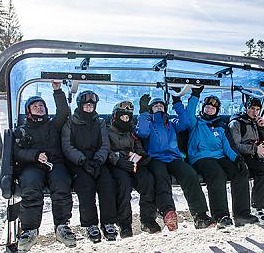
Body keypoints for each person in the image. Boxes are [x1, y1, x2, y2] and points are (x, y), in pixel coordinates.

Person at [135, 93, 214, 231]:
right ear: (151, 109)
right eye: (155, 106)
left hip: (173, 157)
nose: (159, 107)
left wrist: (177, 102)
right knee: (161, 177)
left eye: (161, 105)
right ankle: (167, 212)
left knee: (189, 174)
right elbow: (142, 132)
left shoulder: (171, 123)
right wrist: (143, 112)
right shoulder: (149, 123)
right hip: (155, 158)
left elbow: (186, 122)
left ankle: (200, 215)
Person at [14, 81, 76, 251]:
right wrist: (34, 155)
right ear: (29, 111)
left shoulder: (53, 125)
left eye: (41, 105)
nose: (39, 108)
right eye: (35, 106)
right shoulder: (23, 129)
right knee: (30, 184)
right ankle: (30, 229)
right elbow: (17, 152)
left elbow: (63, 112)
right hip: (32, 166)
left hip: (55, 163)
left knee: (62, 182)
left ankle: (62, 226)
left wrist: (57, 91)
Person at [186, 87, 259, 227]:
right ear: (203, 108)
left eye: (213, 108)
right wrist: (195, 95)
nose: (209, 110)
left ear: (217, 111)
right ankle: (221, 215)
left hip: (219, 156)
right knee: (217, 174)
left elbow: (227, 146)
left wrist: (237, 159)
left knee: (240, 171)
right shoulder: (196, 122)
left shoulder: (221, 126)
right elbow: (189, 114)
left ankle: (241, 213)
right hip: (201, 157)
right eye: (207, 107)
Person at [61, 90, 118, 243]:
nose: (89, 108)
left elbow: (105, 144)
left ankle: (108, 222)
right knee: (85, 186)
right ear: (80, 106)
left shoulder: (99, 122)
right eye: (86, 106)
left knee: (107, 183)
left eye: (91, 106)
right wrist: (82, 161)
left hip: (97, 160)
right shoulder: (71, 123)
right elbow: (67, 146)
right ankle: (90, 224)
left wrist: (99, 160)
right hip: (78, 162)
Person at [107, 100, 161, 238]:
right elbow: (106, 150)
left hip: (133, 164)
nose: (125, 119)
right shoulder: (107, 130)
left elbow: (138, 146)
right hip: (117, 165)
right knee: (123, 184)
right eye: (122, 116)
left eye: (128, 117)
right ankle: (124, 224)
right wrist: (117, 160)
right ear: (115, 116)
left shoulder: (132, 131)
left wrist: (142, 156)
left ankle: (148, 219)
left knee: (147, 179)